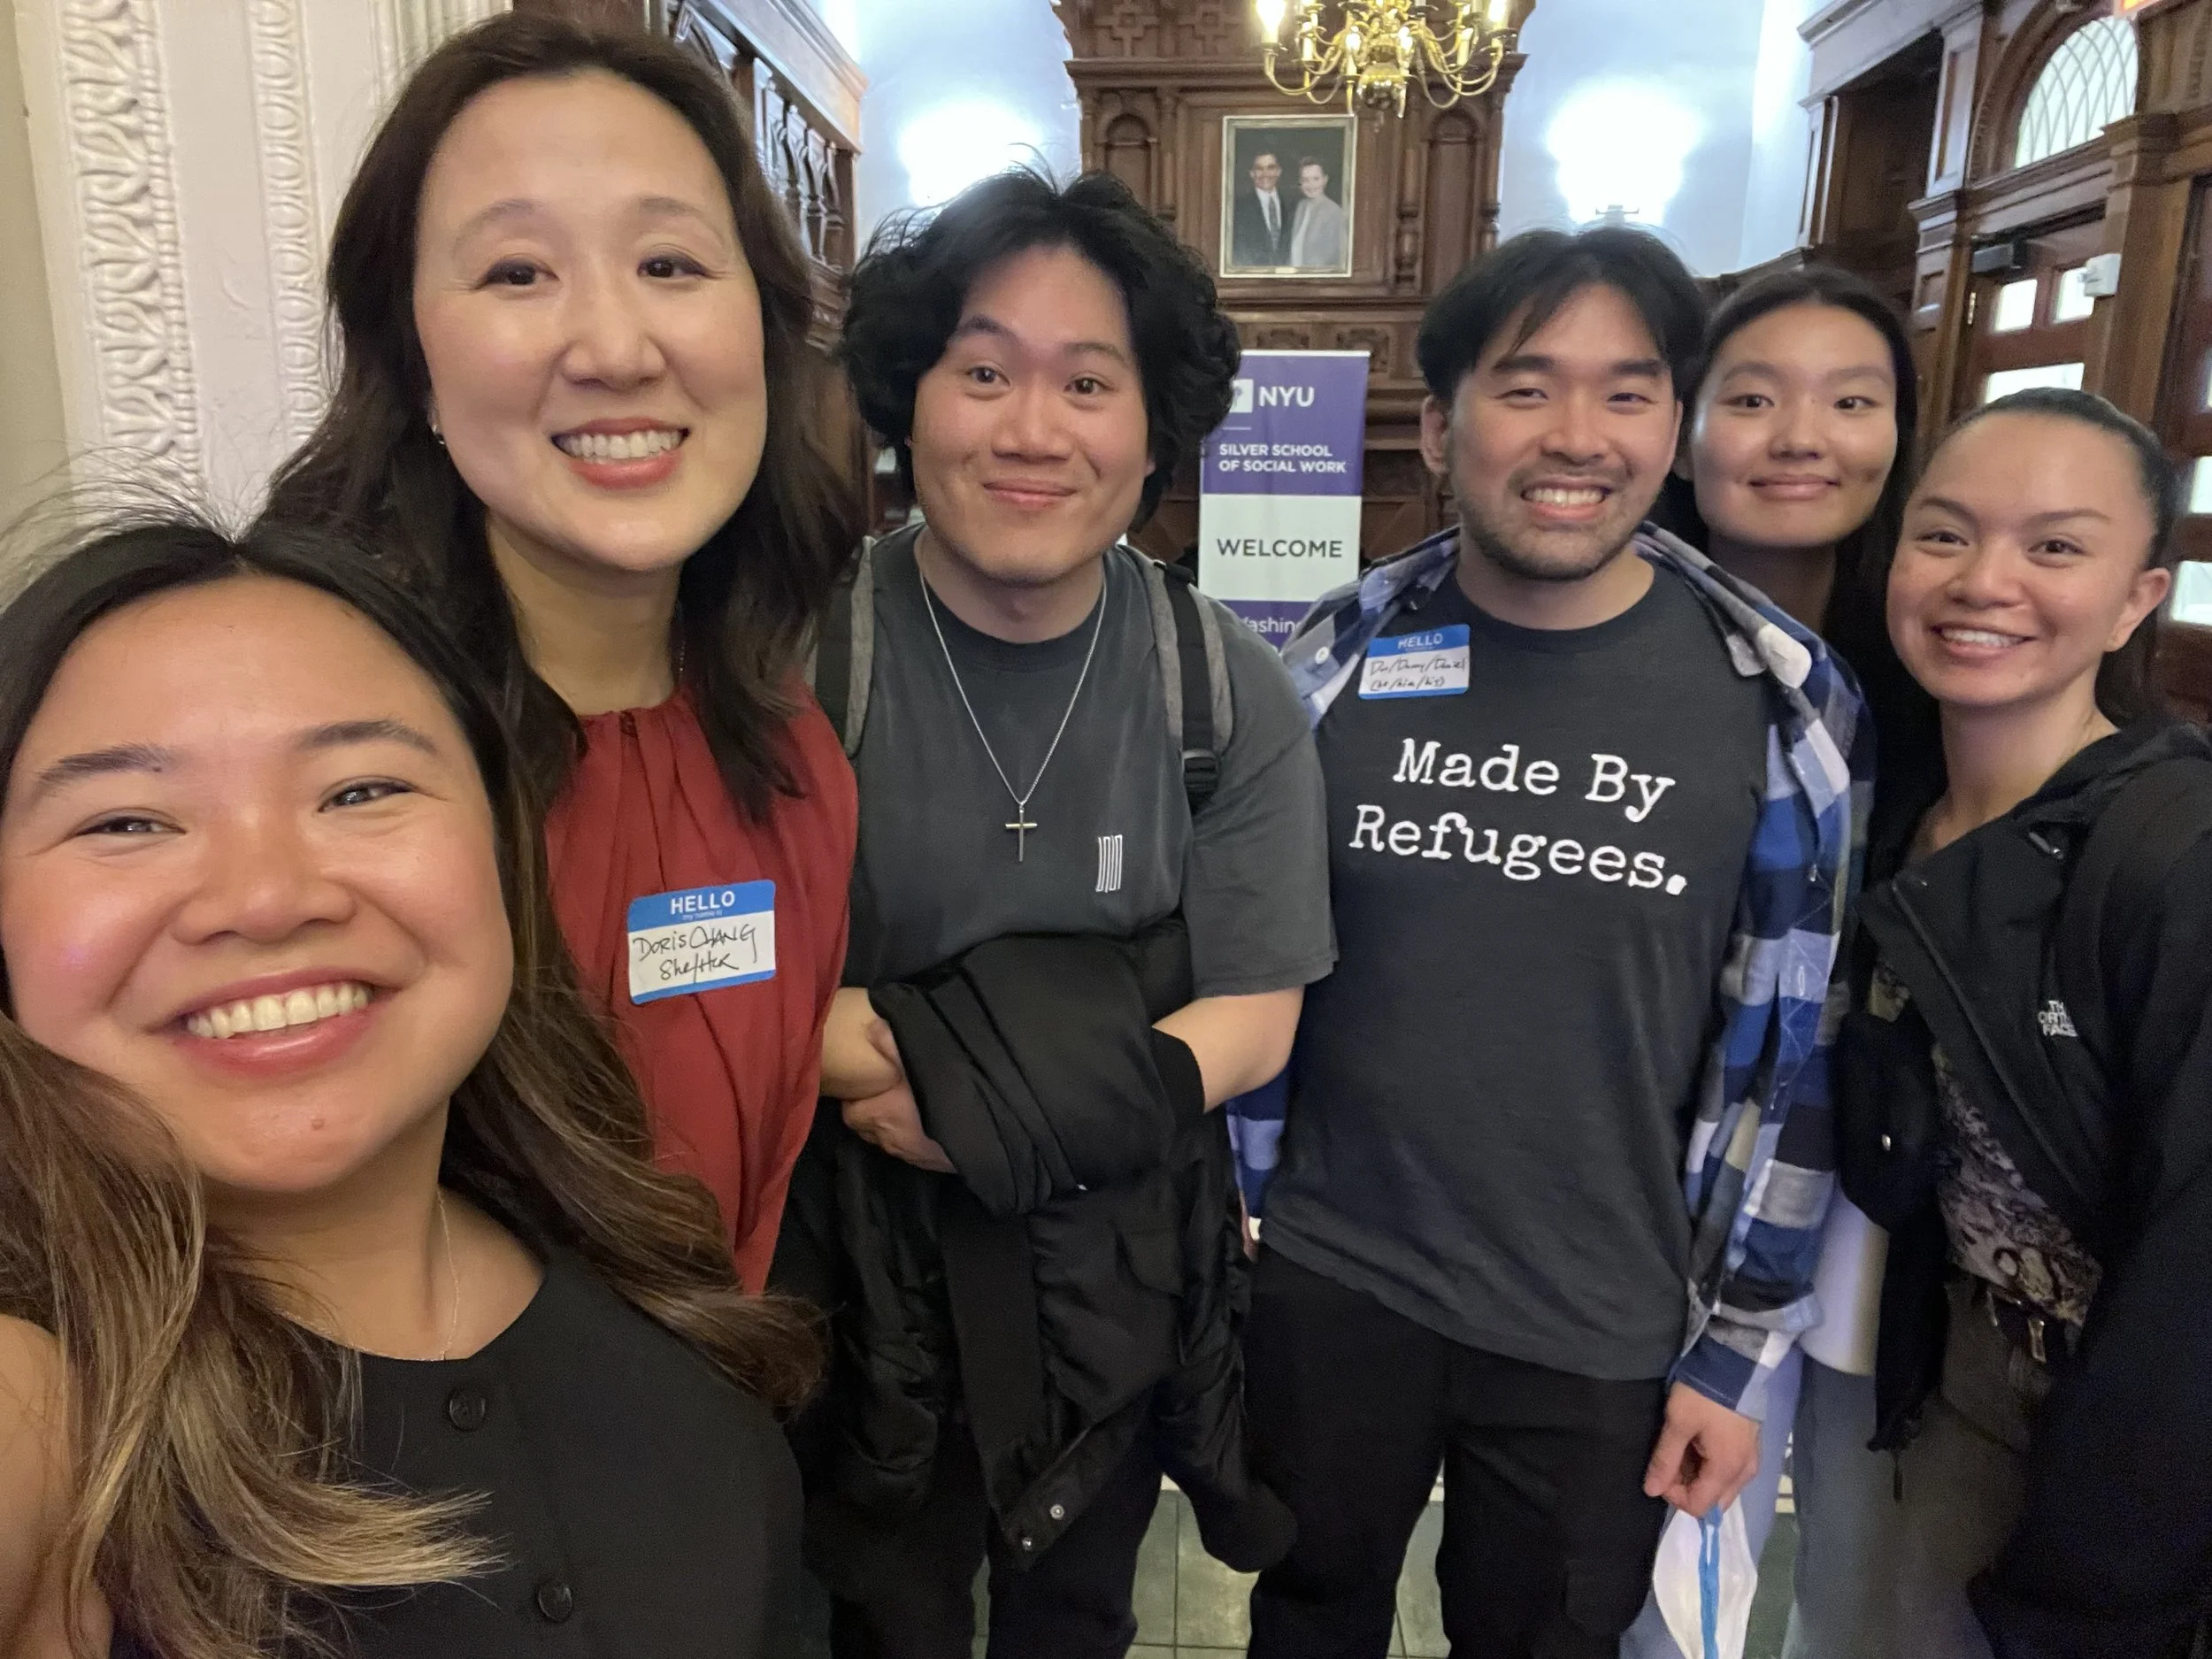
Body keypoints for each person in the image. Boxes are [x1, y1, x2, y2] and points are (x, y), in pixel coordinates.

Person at [0, 517, 820, 1659]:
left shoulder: (634, 1255)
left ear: (499, 849)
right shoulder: (42, 1414)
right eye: (127, 820)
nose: (267, 895)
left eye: (358, 789)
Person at [1246, 226, 1871, 1659]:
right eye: (1525, 387)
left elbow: (1795, 1050)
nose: (1574, 436)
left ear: (1675, 422)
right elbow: (1247, 955)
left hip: (1605, 1321)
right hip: (1334, 1278)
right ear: (1439, 424)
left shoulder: (1784, 701)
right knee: (1305, 1620)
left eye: (1627, 390)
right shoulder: (1332, 657)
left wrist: (1733, 1350)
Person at [772, 168, 1335, 1659]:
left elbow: (1258, 1009)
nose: (1032, 430)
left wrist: (992, 1107)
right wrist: (976, 1086)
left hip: (1114, 1273)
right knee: (874, 1617)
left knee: (1077, 1619)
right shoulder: (792, 663)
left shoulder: (1222, 689)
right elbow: (731, 982)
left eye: (1089, 382)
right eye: (983, 373)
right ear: (911, 401)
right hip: (853, 1260)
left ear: (1154, 427)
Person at [265, 12, 857, 1294]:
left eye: (671, 263)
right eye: (518, 274)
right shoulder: (317, 793)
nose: (614, 347)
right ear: (411, 360)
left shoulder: (792, 756)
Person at [1835, 388, 2212, 1657]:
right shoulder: (1907, 821)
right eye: (1944, 534)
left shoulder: (2175, 851)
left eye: (2055, 547)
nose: (1984, 579)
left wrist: (2101, 1575)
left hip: (2128, 1436)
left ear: (2135, 598)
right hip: (1970, 1383)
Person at [1629, 265, 1935, 1659]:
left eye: (1850, 399)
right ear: (1684, 426)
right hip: (1681, 1186)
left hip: (1892, 1194)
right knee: (1673, 1587)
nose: (1801, 434)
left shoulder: (1941, 654)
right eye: (1752, 397)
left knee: (1876, 1580)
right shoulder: (1613, 639)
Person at [1232, 148, 1294, 268]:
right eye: (1259, 169)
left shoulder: (1294, 204)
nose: (1265, 174)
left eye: (1270, 168)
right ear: (1252, 173)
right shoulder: (1237, 208)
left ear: (1279, 171)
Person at [1286, 157, 1347, 272]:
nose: (1311, 185)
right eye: (1305, 180)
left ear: (1325, 180)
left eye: (1316, 179)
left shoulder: (1334, 212)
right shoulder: (1301, 206)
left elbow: (1331, 258)